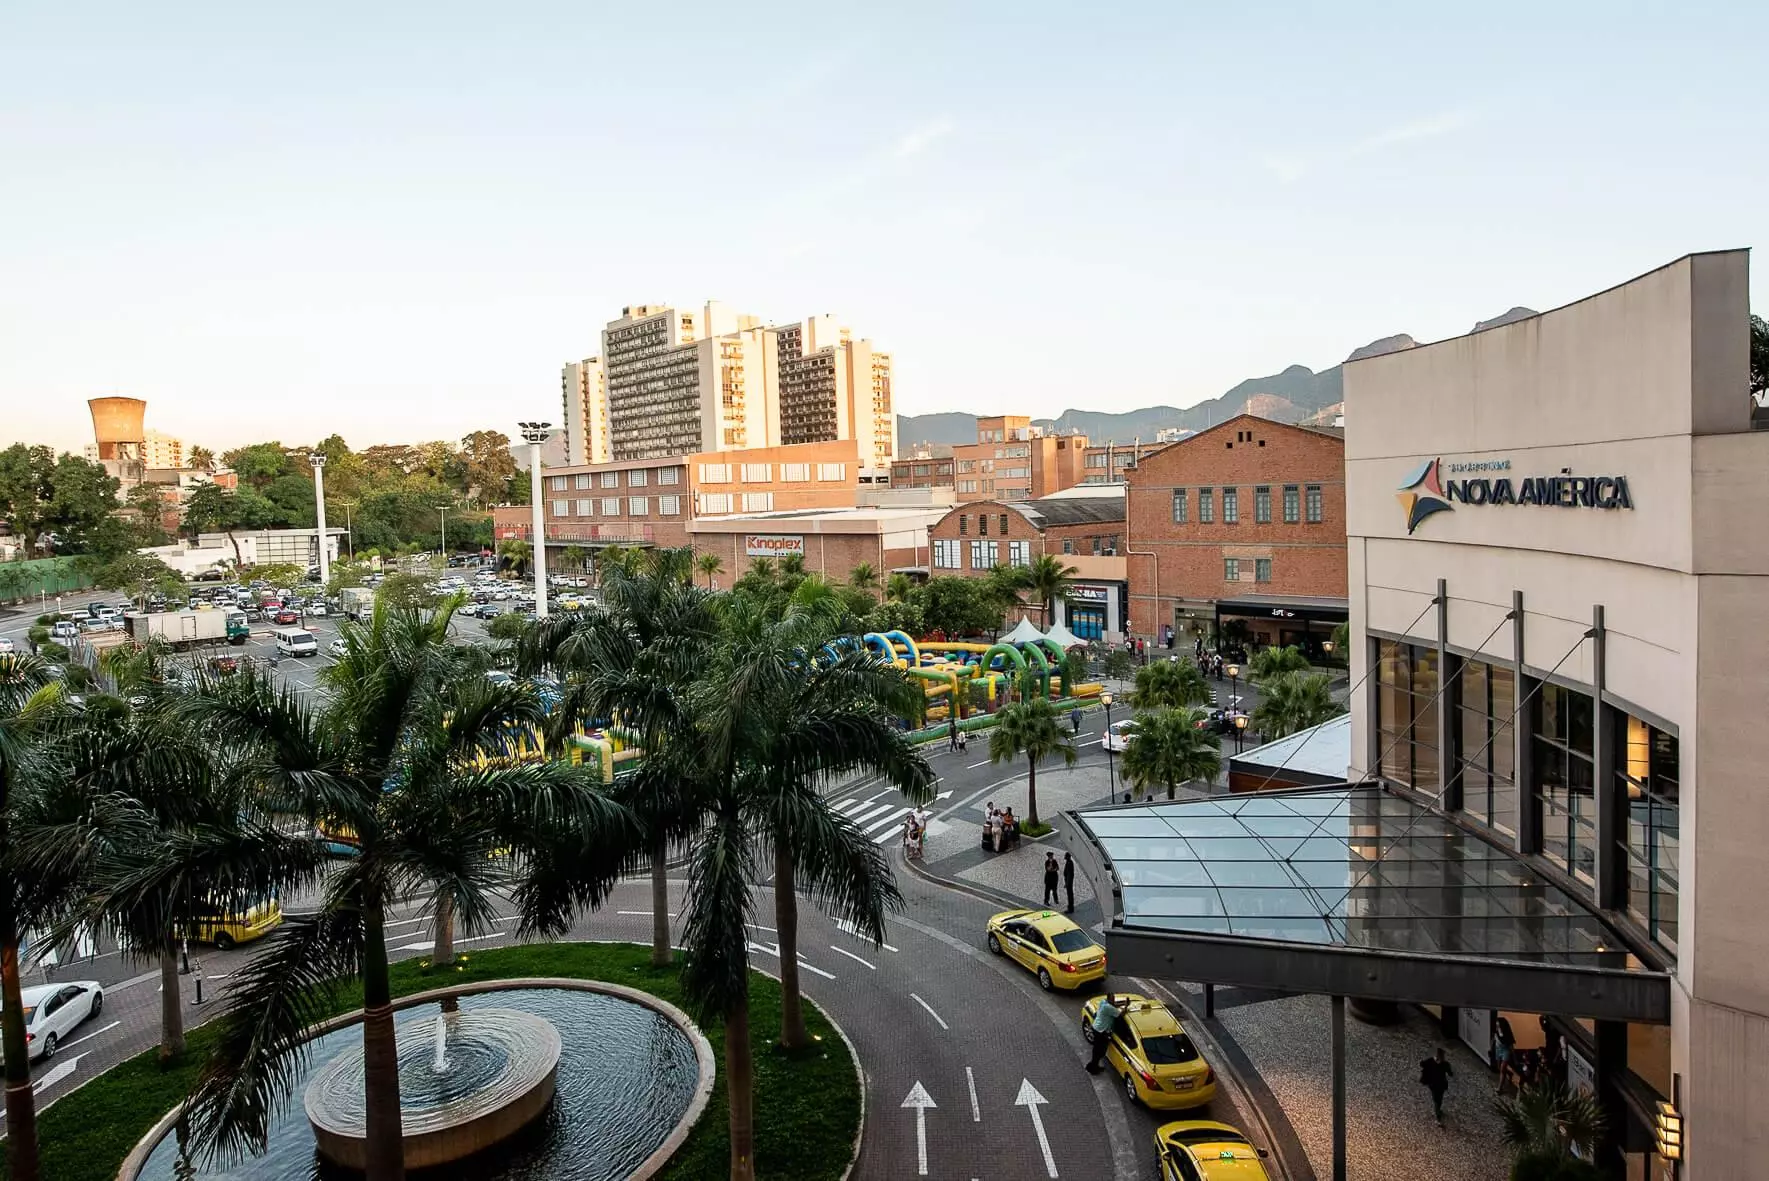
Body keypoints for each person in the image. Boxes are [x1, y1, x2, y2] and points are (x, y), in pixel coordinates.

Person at [1087, 995, 1124, 1073]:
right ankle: (1093, 1067)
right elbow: (1120, 1014)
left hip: (1096, 1028)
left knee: (1097, 1049)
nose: (1114, 1001)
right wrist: (1126, 1007)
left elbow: (1113, 1005)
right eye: (1112, 1000)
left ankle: (1094, 1065)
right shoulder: (1108, 1007)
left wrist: (1123, 1003)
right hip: (1101, 1031)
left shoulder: (1103, 1002)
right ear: (1109, 1000)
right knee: (1100, 1050)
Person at [1420, 1048, 1453, 1124]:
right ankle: (1438, 1114)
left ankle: (1438, 1111)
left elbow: (1422, 1064)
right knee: (1438, 1099)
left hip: (1433, 1084)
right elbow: (1450, 1074)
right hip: (1440, 1085)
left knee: (1436, 1099)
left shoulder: (1431, 1061)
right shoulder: (1445, 1064)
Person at [1493, 1015, 1517, 1093]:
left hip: (1505, 1050)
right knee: (1499, 1068)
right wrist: (1491, 1048)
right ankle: (1509, 1073)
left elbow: (1511, 1046)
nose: (1497, 1027)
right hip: (1498, 1049)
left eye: (1498, 1025)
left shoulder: (1507, 1034)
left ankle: (1500, 1088)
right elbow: (1494, 1039)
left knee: (1502, 1068)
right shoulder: (1496, 1031)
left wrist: (1514, 1057)